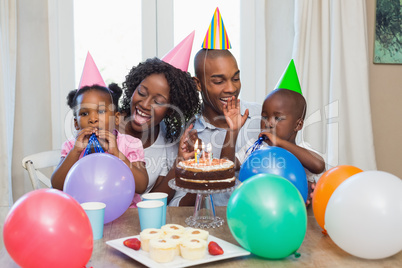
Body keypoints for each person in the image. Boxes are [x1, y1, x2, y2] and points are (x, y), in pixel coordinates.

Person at [169, 48, 262, 207]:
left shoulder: (261, 116)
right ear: (198, 83)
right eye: (219, 81)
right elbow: (176, 207)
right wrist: (196, 170)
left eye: (236, 78)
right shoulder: (188, 135)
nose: (231, 89)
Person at [51, 83, 149, 207]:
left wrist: (117, 153)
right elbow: (57, 185)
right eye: (84, 114)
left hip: (126, 213)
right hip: (83, 212)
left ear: (116, 118)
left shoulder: (131, 144)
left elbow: (141, 186)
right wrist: (76, 151)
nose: (93, 119)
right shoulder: (71, 146)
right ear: (76, 123)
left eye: (101, 111)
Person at [119, 57, 201, 202]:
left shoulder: (167, 142)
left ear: (170, 110)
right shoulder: (104, 125)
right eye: (141, 93)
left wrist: (180, 162)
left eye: (158, 102)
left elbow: (155, 200)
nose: (145, 104)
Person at [236, 88, 326, 205]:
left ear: (298, 125)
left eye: (277, 118)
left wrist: (280, 143)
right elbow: (227, 166)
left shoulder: (302, 150)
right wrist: (232, 131)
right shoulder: (254, 147)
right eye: (264, 117)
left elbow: (319, 165)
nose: (269, 123)